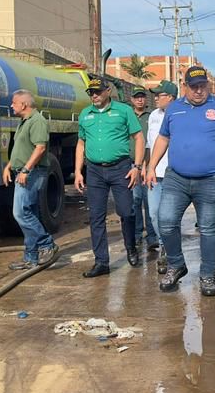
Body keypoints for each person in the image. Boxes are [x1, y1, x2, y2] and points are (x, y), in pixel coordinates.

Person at [146, 66, 215, 296]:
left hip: (210, 180)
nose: (199, 91)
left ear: (207, 85)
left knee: (209, 229)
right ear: (185, 87)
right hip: (176, 178)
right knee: (165, 221)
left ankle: (207, 275)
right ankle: (177, 265)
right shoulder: (174, 109)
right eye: (194, 87)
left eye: (202, 86)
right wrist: (150, 166)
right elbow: (163, 138)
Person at [74, 78, 145, 278]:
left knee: (126, 211)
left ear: (107, 91)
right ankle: (101, 262)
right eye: (91, 93)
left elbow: (138, 138)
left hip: (120, 168)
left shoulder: (123, 111)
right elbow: (81, 144)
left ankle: (130, 246)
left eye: (97, 91)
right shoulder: (85, 114)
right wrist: (78, 171)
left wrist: (137, 167)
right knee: (96, 217)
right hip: (95, 171)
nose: (94, 95)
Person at [2, 89, 59, 270]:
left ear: (24, 105)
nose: (11, 106)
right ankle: (31, 258)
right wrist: (9, 165)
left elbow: (40, 148)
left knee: (21, 213)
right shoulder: (24, 122)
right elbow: (22, 148)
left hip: (32, 173)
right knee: (30, 213)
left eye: (14, 103)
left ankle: (47, 244)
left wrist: (26, 170)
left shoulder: (37, 121)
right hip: (23, 171)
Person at [146, 80, 177, 274]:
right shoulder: (153, 116)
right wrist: (146, 166)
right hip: (155, 173)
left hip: (174, 173)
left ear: (171, 97)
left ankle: (170, 251)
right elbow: (150, 143)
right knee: (154, 213)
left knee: (170, 216)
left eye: (160, 95)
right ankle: (165, 243)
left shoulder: (181, 114)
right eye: (155, 95)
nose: (155, 98)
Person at [130, 87, 158, 251]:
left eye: (142, 97)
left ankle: (152, 236)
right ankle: (137, 234)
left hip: (149, 164)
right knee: (135, 200)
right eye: (137, 97)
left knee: (150, 202)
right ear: (132, 100)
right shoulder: (128, 116)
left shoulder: (152, 117)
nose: (140, 100)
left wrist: (147, 166)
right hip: (131, 164)